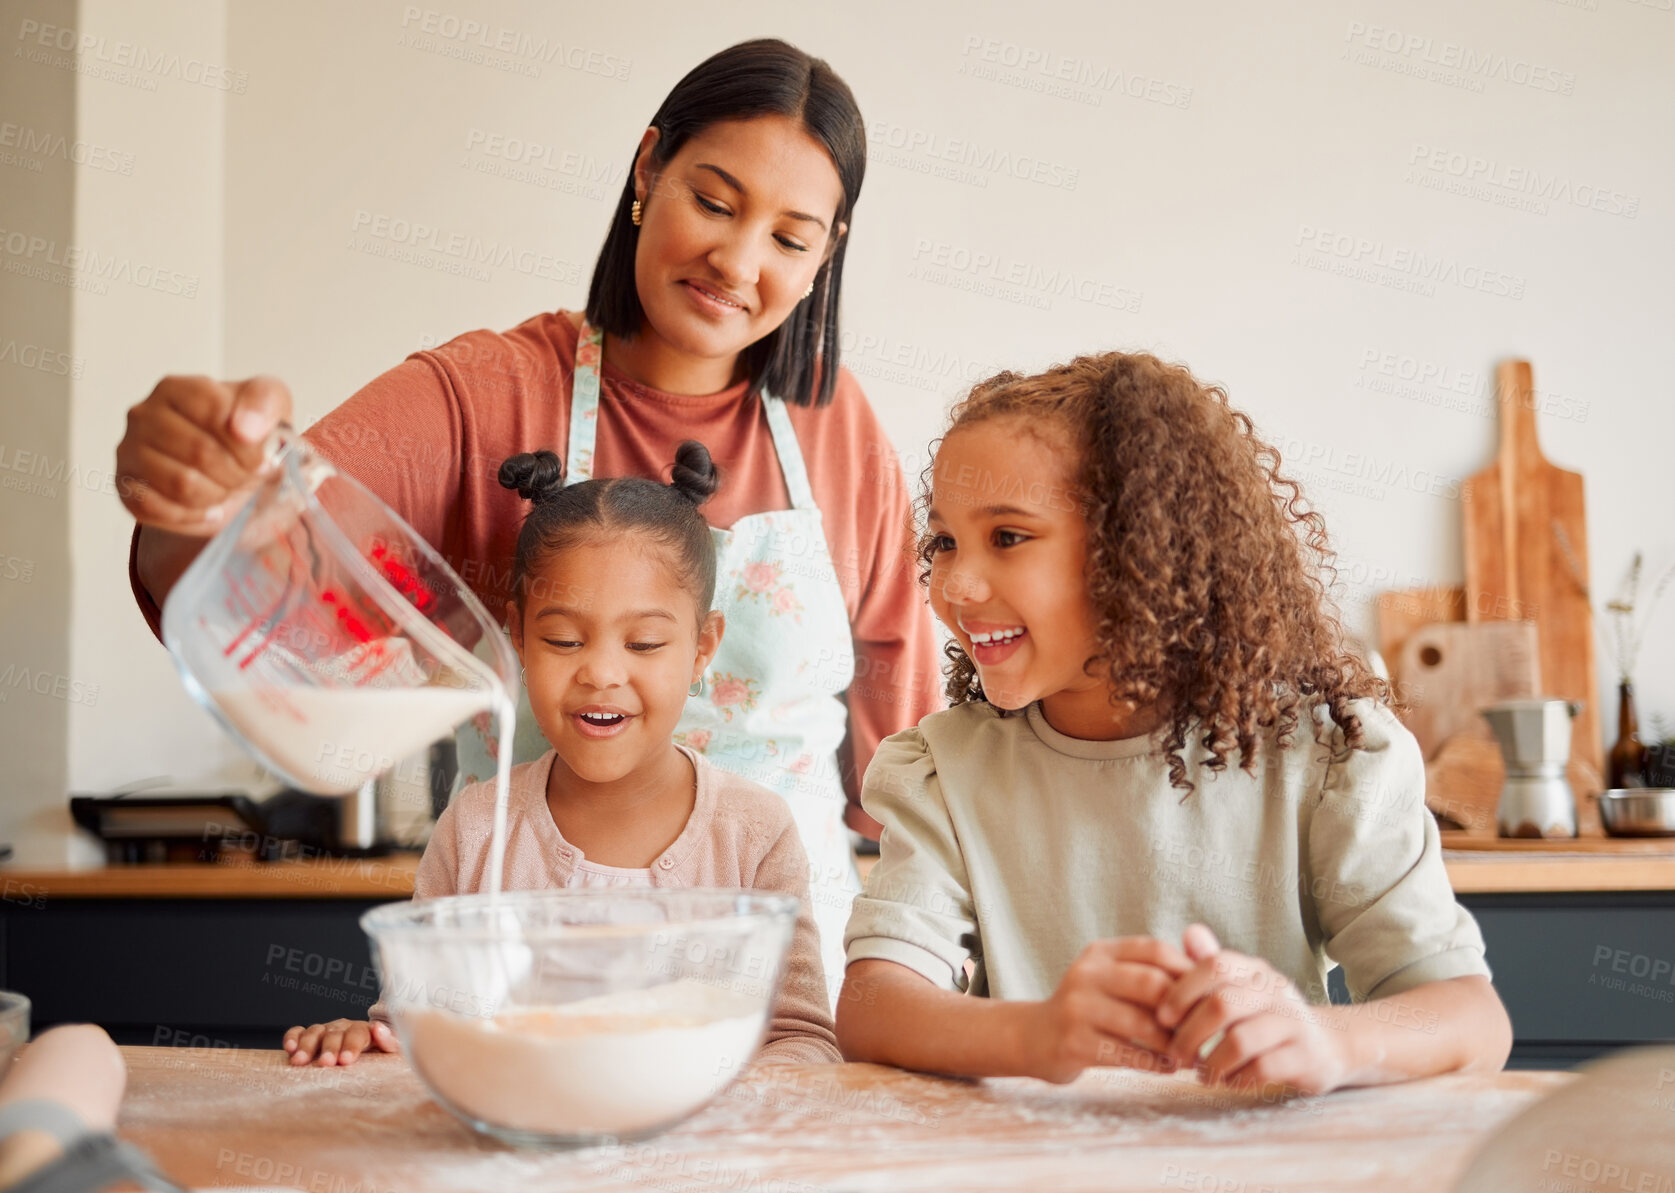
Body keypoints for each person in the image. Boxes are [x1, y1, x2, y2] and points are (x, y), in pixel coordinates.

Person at [116, 39, 941, 996]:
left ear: (823, 256)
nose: (738, 258)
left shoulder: (836, 428)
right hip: (530, 988)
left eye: (790, 239)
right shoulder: (486, 394)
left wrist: (925, 969)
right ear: (647, 169)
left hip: (789, 995)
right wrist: (194, 499)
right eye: (714, 202)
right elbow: (273, 559)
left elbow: (905, 760)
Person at [836, 353, 1514, 1094]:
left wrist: (1325, 1039)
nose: (954, 585)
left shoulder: (1327, 757)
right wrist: (1035, 1031)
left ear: (1140, 547)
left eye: (1007, 537)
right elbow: (872, 1005)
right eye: (943, 542)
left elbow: (1470, 1019)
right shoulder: (946, 770)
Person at [284, 443, 838, 1066]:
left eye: (646, 643)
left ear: (703, 646)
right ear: (518, 636)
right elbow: (416, 1034)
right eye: (564, 639)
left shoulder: (754, 835)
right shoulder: (476, 830)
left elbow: (800, 1041)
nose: (601, 672)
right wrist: (370, 1042)